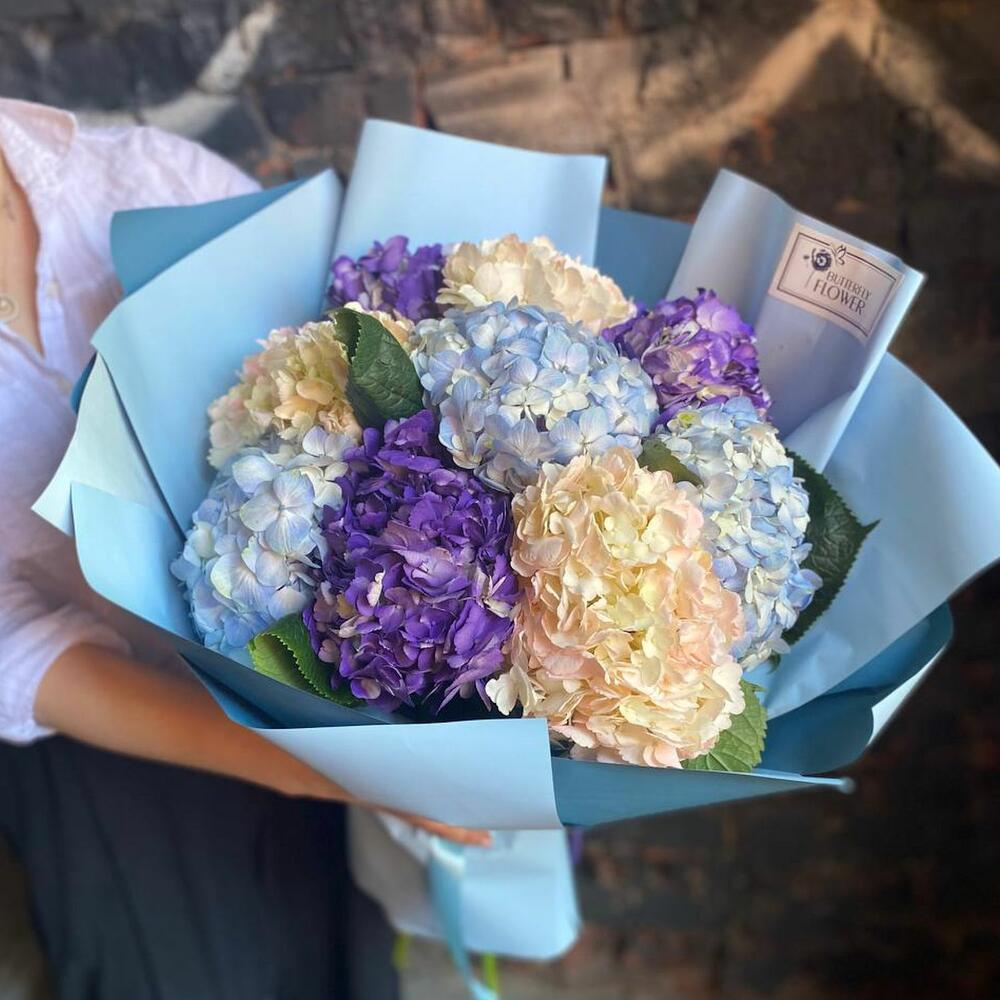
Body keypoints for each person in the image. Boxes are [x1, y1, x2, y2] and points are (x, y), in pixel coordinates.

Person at [0, 97, 486, 1000]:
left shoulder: (144, 177)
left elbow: (344, 354)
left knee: (351, 971)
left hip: (325, 679)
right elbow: (13, 652)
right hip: (107, 737)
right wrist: (314, 772)